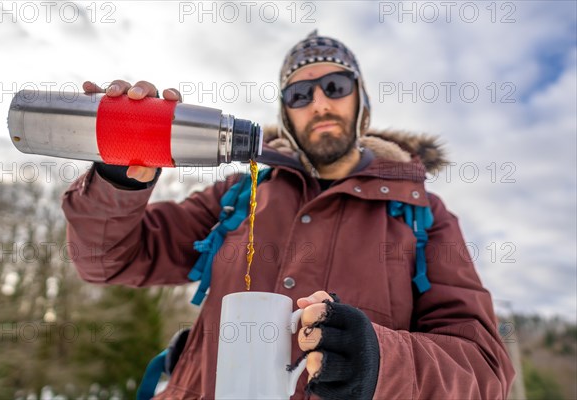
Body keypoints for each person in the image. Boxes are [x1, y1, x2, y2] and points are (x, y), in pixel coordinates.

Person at [62, 31, 515, 399]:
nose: (320, 103)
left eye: (335, 87)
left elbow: (485, 370)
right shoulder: (240, 193)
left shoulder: (421, 214)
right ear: (286, 111)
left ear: (362, 102)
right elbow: (109, 259)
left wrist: (381, 363)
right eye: (300, 93)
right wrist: (120, 182)